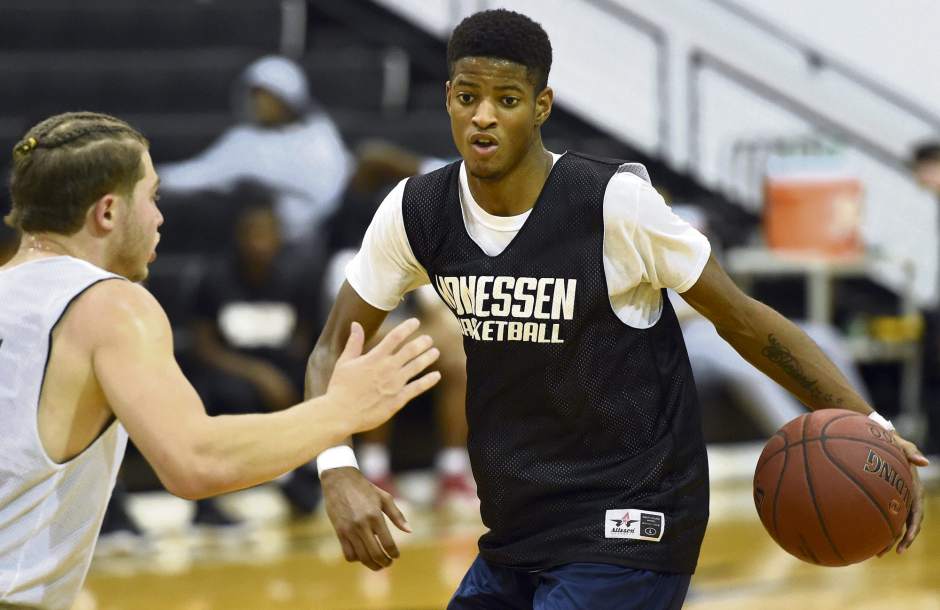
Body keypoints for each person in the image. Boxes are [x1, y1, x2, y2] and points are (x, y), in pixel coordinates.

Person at [304, 10, 929, 609]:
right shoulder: (419, 211)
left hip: (633, 516)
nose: (483, 118)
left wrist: (869, 422)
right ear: (447, 99)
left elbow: (742, 318)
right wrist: (336, 468)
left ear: (541, 106)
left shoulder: (614, 205)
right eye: (468, 98)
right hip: (517, 524)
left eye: (507, 100)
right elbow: (334, 348)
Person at [0, 111, 441, 610]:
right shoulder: (108, 305)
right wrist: (342, 410)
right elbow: (195, 462)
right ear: (107, 212)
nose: (160, 217)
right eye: (151, 197)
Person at [158, 55, 354, 243]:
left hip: (315, 237)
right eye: (255, 96)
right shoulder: (244, 140)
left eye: (268, 97)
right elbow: (201, 174)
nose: (259, 104)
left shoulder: (320, 136)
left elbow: (329, 189)